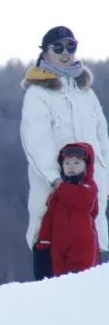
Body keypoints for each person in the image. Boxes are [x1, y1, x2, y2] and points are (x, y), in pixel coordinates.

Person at [20, 26, 109, 279]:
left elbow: (103, 140)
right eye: (57, 47)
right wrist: (58, 181)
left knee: (89, 274)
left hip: (89, 196)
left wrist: (104, 183)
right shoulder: (38, 93)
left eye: (71, 47)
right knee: (52, 272)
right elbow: (35, 141)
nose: (65, 53)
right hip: (54, 195)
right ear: (45, 53)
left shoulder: (86, 92)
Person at [34, 142, 99, 277]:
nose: (71, 167)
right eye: (67, 163)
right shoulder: (56, 195)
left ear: (86, 166)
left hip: (83, 247)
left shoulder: (89, 187)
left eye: (77, 163)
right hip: (58, 248)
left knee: (80, 283)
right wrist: (43, 243)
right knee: (60, 284)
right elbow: (49, 220)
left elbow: (83, 202)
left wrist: (60, 185)